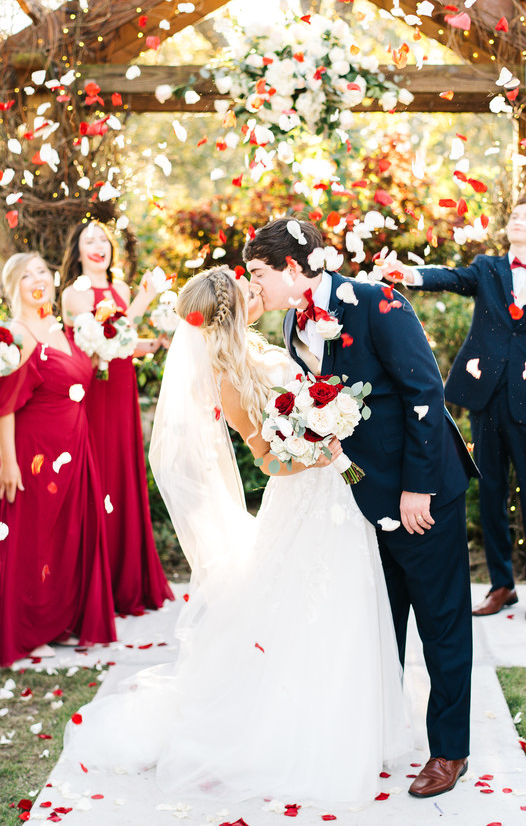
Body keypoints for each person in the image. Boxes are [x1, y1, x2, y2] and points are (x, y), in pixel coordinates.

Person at [64, 266, 409, 808]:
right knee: (311, 612)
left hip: (333, 493)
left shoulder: (260, 343)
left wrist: (329, 424)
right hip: (304, 498)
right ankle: (305, 737)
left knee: (345, 606)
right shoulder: (229, 372)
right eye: (245, 287)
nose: (255, 286)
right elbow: (268, 459)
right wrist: (319, 449)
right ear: (232, 308)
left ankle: (356, 723)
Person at [244, 219, 478, 799]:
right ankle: (381, 734)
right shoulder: (294, 322)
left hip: (421, 494)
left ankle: (449, 751)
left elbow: (425, 393)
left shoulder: (376, 302)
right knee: (382, 624)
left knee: (441, 624)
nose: (256, 287)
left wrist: (417, 489)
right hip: (358, 497)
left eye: (259, 274)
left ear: (292, 269)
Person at [398, 197, 526, 624]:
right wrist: (410, 274)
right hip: (486, 402)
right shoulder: (487, 268)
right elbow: (450, 277)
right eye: (515, 215)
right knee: (490, 495)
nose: (519, 220)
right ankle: (502, 585)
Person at [0, 253, 116, 666]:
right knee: (35, 538)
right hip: (35, 452)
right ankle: (29, 629)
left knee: (68, 536)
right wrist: (8, 461)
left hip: (75, 445)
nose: (38, 279)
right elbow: (5, 404)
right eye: (25, 275)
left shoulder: (64, 328)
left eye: (42, 272)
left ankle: (61, 620)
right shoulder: (16, 332)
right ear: (12, 288)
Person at [60, 221, 174, 615]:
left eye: (103, 241)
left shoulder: (121, 291)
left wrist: (154, 343)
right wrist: (145, 299)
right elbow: (111, 332)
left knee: (123, 473)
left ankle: (127, 581)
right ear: (76, 251)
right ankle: (93, 587)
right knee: (97, 474)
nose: (98, 246)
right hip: (92, 393)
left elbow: (123, 343)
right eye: (88, 240)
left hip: (121, 389)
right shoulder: (75, 294)